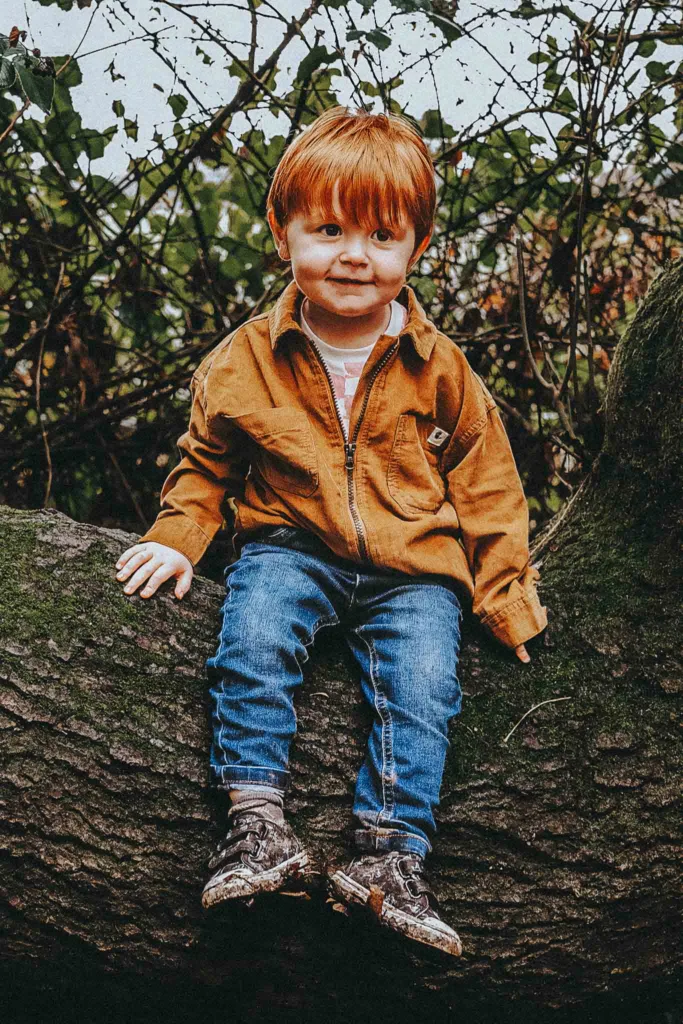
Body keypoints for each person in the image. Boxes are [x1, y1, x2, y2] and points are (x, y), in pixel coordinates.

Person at [113, 106, 547, 957]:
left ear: (417, 250)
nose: (354, 254)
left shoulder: (442, 367)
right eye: (328, 228)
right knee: (252, 637)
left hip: (414, 570)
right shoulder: (244, 359)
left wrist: (503, 596)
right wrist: (175, 536)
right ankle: (257, 825)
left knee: (423, 685)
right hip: (291, 546)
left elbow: (490, 486)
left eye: (382, 236)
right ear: (283, 234)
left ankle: (390, 858)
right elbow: (206, 466)